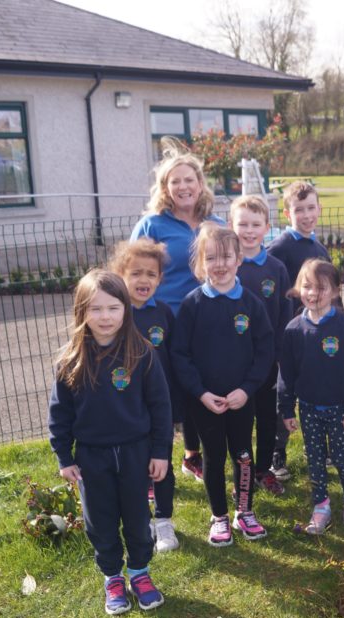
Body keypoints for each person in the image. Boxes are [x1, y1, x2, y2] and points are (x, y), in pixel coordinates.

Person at [48, 270, 172, 615]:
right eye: (96, 309)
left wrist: (160, 452)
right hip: (91, 458)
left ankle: (140, 573)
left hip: (135, 453)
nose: (105, 317)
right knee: (100, 522)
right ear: (82, 312)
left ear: (126, 310)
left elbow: (160, 407)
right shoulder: (70, 360)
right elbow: (60, 415)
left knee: (136, 518)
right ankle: (113, 578)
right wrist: (63, 456)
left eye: (113, 308)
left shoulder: (142, 353)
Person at [171, 223, 274, 547]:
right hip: (205, 403)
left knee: (243, 455)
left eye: (226, 256)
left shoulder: (252, 305)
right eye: (211, 257)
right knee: (213, 458)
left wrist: (247, 389)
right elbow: (180, 355)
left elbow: (264, 351)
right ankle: (219, 517)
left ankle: (245, 511)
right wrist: (201, 393)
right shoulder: (192, 305)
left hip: (242, 400)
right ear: (201, 263)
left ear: (238, 258)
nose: (220, 264)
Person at [129, 138, 224, 484]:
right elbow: (131, 268)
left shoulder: (214, 222)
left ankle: (192, 455)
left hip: (204, 318)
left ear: (200, 185)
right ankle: (157, 463)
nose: (183, 186)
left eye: (189, 179)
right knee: (161, 390)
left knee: (197, 385)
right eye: (176, 181)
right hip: (161, 321)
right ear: (166, 188)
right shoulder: (153, 225)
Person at [279, 260, 344, 534]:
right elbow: (287, 372)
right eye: (307, 286)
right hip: (308, 407)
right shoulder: (294, 329)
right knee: (315, 458)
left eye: (321, 287)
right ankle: (321, 505)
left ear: (334, 291)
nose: (313, 293)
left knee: (341, 456)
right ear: (298, 288)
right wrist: (286, 409)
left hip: (340, 408)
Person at [108, 239, 180, 553]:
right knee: (134, 469)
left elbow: (176, 357)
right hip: (127, 409)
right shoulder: (114, 317)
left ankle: (164, 520)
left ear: (160, 279)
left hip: (159, 407)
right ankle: (141, 521)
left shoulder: (163, 313)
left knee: (162, 462)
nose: (144, 280)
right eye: (136, 273)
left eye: (151, 274)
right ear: (120, 274)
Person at [265, 180, 329, 481]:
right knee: (285, 393)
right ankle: (278, 453)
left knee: (319, 388)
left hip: (317, 334)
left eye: (311, 208)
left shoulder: (319, 248)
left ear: (319, 209)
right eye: (298, 209)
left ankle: (323, 446)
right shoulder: (279, 248)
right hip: (289, 337)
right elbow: (275, 297)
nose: (306, 215)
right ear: (287, 213)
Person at [231, 195, 293, 496]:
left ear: (267, 227)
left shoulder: (277, 268)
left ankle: (264, 469)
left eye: (256, 224)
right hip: (235, 360)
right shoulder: (227, 267)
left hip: (267, 358)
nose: (249, 230)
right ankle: (242, 470)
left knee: (268, 416)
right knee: (240, 417)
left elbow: (284, 313)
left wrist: (280, 353)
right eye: (243, 224)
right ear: (232, 226)